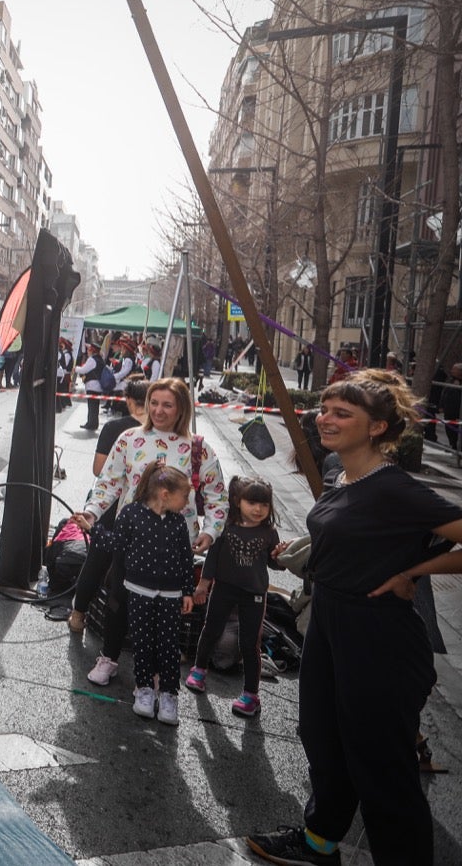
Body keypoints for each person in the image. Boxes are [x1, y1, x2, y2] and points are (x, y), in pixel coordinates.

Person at [246, 371, 462, 866]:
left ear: (378, 428)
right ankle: (320, 842)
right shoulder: (339, 471)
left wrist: (414, 569)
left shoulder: (393, 488)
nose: (326, 418)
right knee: (321, 738)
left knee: (381, 766)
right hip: (328, 619)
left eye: (343, 413)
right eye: (324, 408)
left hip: (378, 633)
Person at [71, 377, 229, 687]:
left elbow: (216, 496)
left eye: (167, 404)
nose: (158, 410)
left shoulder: (200, 449)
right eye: (154, 403)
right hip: (130, 540)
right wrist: (92, 510)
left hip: (177, 546)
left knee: (166, 613)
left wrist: (210, 532)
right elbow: (109, 483)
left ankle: (158, 673)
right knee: (120, 600)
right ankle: (109, 657)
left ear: (181, 408)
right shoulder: (129, 439)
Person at [80, 465, 196, 726]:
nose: (187, 502)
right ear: (165, 494)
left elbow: (186, 559)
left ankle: (168, 694)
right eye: (184, 496)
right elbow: (116, 544)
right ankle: (144, 689)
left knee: (168, 644)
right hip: (138, 590)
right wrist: (92, 528)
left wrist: (188, 591)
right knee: (142, 642)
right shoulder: (131, 514)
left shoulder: (178, 522)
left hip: (170, 593)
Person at [185, 476, 283, 718]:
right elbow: (212, 559)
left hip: (255, 595)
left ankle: (251, 695)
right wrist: (202, 586)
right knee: (211, 629)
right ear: (239, 502)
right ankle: (199, 670)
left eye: (264, 505)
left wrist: (282, 556)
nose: (258, 509)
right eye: (252, 503)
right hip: (224, 588)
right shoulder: (226, 527)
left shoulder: (270, 533)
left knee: (250, 644)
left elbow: (275, 564)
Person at [66, 379, 150, 636]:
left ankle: (78, 615)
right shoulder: (157, 435)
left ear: (128, 401)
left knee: (97, 560)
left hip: (112, 508)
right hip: (144, 511)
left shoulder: (116, 428)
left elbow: (99, 470)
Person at [77, 343, 106, 432]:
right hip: (98, 385)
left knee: (92, 406)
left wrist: (76, 368)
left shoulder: (92, 360)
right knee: (95, 406)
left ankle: (91, 424)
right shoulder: (100, 359)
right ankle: (93, 423)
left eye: (89, 350)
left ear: (92, 351)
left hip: (92, 385)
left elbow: (84, 370)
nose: (87, 352)